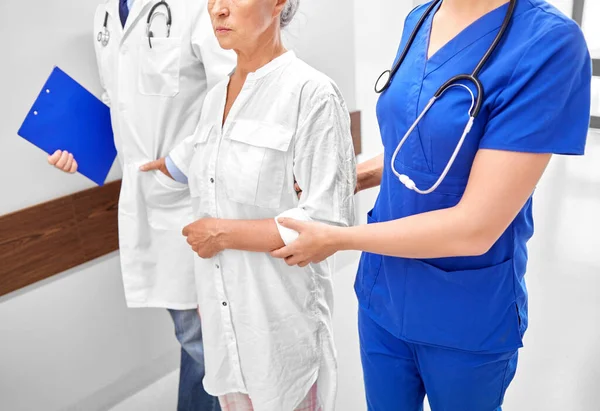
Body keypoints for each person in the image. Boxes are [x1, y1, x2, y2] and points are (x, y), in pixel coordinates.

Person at [270, 0, 592, 410]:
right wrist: (348, 178)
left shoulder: (549, 45)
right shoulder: (421, 17)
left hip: (464, 311)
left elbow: (476, 227)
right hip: (383, 294)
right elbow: (415, 148)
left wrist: (339, 239)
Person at [140, 0, 356, 409]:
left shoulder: (311, 94)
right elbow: (210, 190)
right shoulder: (214, 99)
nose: (217, 10)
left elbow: (328, 226)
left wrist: (221, 235)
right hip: (225, 331)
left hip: (281, 330)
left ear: (279, 4)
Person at [48, 0, 235, 409]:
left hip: (193, 196)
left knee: (207, 339)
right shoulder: (104, 14)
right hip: (149, 199)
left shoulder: (193, 7)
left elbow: (234, 88)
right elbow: (118, 101)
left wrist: (179, 163)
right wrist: (78, 149)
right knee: (193, 336)